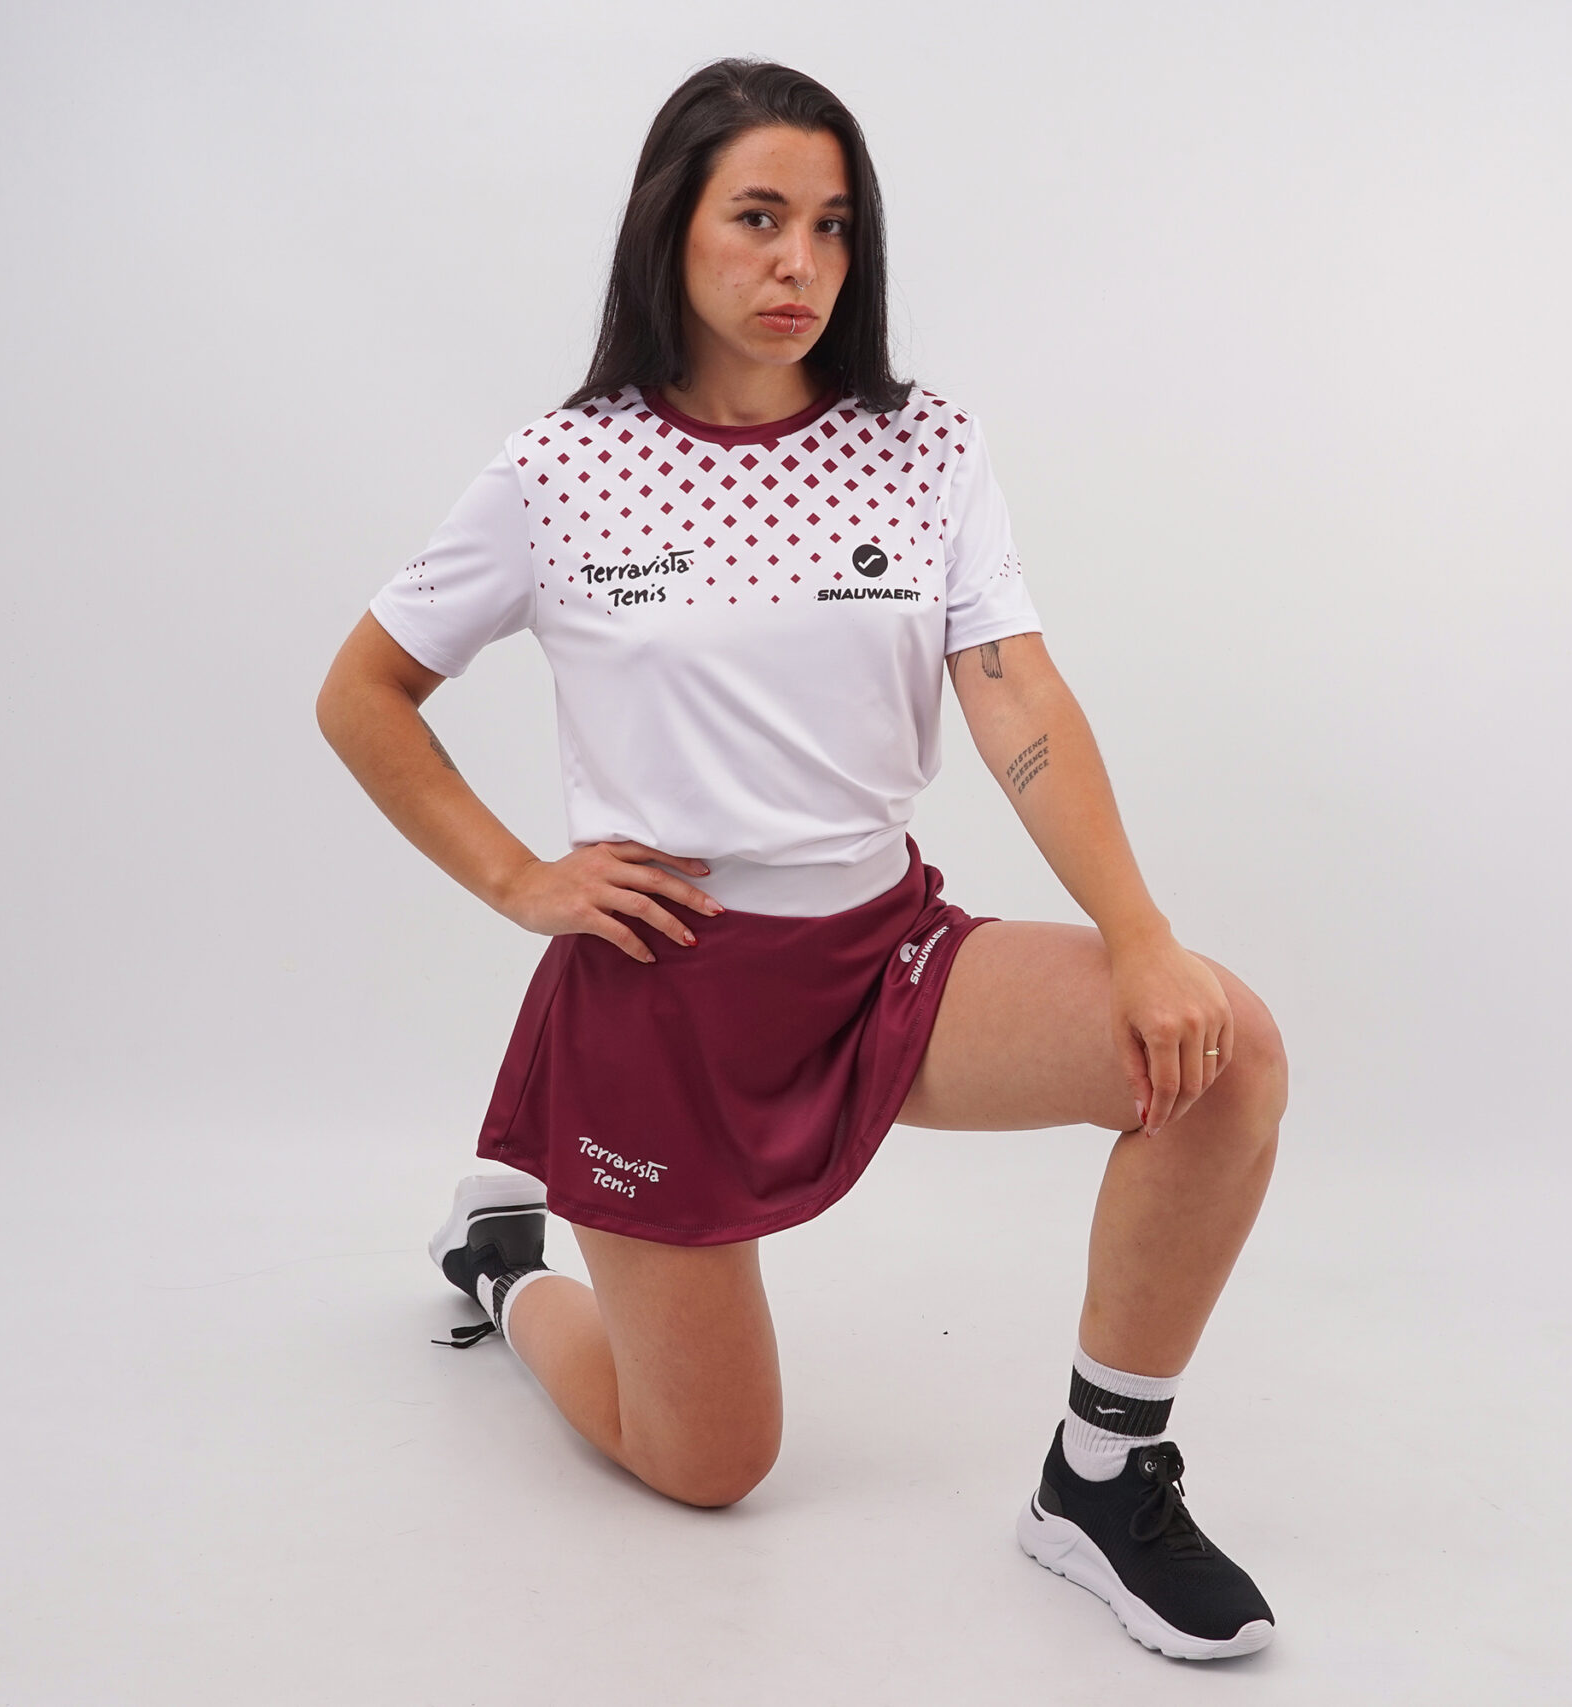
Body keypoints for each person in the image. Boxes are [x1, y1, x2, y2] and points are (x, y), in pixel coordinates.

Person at [316, 58, 1287, 1662]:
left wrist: (1139, 934)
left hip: (880, 958)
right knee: (708, 1464)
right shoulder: (560, 470)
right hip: (660, 997)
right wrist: (522, 881)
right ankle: (503, 1269)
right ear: (671, 231)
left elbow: (1015, 696)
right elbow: (365, 692)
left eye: (833, 226)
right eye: (758, 218)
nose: (801, 264)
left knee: (1224, 1051)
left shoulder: (923, 445)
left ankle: (1102, 1482)